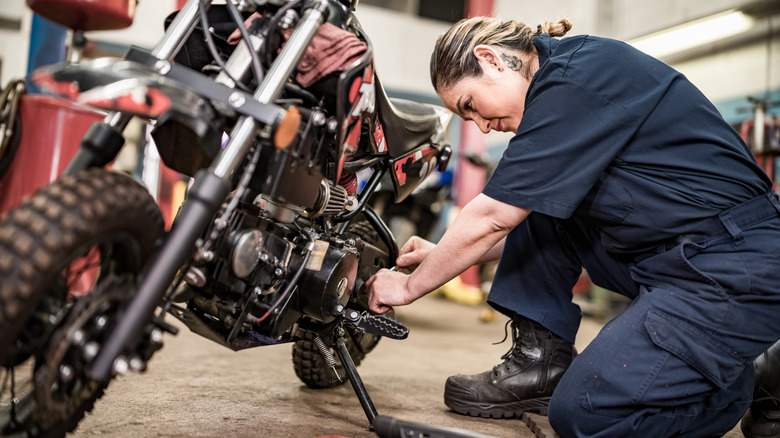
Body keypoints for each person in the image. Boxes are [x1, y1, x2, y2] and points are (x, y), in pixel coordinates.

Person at [365, 16, 780, 437]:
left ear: (490, 59)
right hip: (675, 260)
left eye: (470, 105)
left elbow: (492, 218)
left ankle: (743, 380)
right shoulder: (562, 90)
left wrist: (408, 287)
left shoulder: (580, 76)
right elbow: (520, 220)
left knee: (587, 414)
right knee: (538, 203)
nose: (482, 126)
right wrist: (441, 254)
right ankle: (540, 365)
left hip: (733, 266)